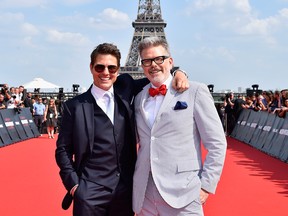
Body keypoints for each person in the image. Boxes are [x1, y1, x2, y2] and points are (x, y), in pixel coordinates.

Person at [55, 42, 189, 216]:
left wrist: (179, 72)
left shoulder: (125, 87)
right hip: (89, 193)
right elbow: (63, 149)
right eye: (100, 67)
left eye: (111, 68)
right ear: (91, 68)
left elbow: (157, 77)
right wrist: (74, 186)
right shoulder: (74, 106)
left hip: (125, 192)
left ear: (118, 70)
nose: (105, 73)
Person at [132, 36, 227, 216]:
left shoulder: (195, 91)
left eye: (159, 59)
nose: (153, 65)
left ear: (170, 61)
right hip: (145, 193)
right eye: (147, 61)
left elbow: (217, 143)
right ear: (142, 65)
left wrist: (206, 186)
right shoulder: (139, 97)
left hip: (183, 192)